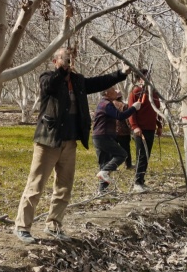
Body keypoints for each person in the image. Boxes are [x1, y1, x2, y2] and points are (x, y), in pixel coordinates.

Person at [14, 47, 131, 244]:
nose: (69, 61)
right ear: (55, 61)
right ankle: (22, 226)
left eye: (71, 58)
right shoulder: (48, 77)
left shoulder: (77, 81)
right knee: (35, 185)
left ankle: (54, 224)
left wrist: (121, 74)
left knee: (64, 187)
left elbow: (98, 82)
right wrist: (62, 71)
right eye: (65, 58)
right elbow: (49, 85)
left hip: (69, 143)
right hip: (48, 141)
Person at [92, 87, 141, 193]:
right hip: (104, 136)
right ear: (107, 93)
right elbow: (120, 116)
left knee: (104, 162)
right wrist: (133, 108)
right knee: (122, 154)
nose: (116, 92)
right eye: (113, 90)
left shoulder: (102, 103)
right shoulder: (107, 104)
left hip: (97, 136)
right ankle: (104, 173)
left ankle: (102, 192)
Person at [127, 69, 161, 193]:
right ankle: (137, 182)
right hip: (140, 129)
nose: (148, 78)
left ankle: (141, 180)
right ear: (139, 78)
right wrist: (135, 126)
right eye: (144, 77)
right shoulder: (135, 92)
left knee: (146, 156)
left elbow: (157, 110)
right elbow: (131, 112)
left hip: (151, 128)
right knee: (141, 155)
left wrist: (159, 125)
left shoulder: (154, 93)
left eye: (148, 76)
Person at [112, 90, 133, 169]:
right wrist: (131, 129)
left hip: (112, 131)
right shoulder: (124, 106)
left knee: (113, 149)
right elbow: (128, 119)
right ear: (121, 96)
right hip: (123, 132)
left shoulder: (110, 105)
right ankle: (128, 165)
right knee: (126, 149)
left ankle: (113, 166)